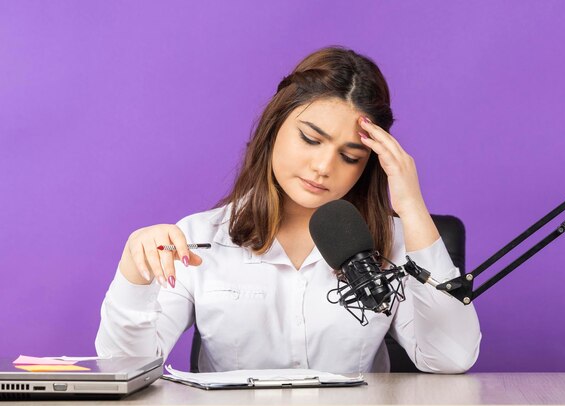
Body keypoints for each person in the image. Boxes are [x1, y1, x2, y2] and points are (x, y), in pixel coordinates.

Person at [95, 46, 481, 374]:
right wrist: (134, 275)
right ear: (276, 125)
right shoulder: (200, 239)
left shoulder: (392, 243)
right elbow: (125, 367)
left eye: (350, 156)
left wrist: (412, 206)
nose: (324, 167)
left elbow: (450, 357)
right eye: (311, 139)